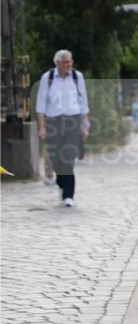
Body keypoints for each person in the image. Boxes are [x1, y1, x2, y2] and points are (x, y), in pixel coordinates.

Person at [35, 49, 90, 207]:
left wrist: (85, 126)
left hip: (73, 120)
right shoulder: (48, 78)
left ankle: (68, 194)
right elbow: (41, 105)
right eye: (66, 62)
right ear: (58, 63)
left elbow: (84, 102)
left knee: (69, 157)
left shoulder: (77, 77)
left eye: (70, 62)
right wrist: (42, 127)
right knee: (56, 157)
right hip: (54, 121)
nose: (69, 65)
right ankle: (61, 181)